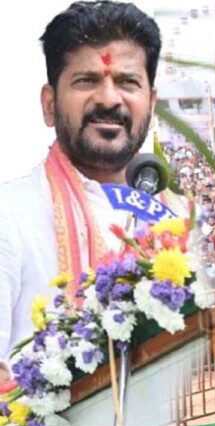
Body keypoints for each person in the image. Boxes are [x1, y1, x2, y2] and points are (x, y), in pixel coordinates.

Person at [0, 1, 163, 366]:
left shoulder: (168, 220)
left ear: (150, 105)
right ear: (50, 105)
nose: (108, 99)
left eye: (127, 82)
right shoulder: (8, 217)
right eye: (87, 80)